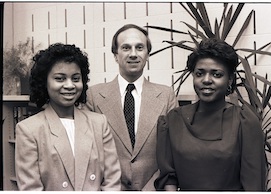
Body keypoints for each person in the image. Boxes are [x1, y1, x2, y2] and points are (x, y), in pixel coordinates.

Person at [154, 38, 266, 191]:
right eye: (200, 73)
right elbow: (169, 179)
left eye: (217, 74)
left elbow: (253, 185)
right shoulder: (174, 120)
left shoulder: (245, 122)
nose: (206, 80)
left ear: (229, 80)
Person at [15, 43, 121, 191]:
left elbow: (112, 181)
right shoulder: (28, 129)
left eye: (76, 78)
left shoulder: (99, 123)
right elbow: (31, 188)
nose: (70, 85)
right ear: (44, 82)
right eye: (60, 79)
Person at [84, 24, 178, 191]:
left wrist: (152, 188)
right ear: (115, 55)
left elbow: (172, 150)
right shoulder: (94, 95)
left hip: (154, 189)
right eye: (126, 48)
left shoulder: (166, 95)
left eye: (139, 48)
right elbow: (89, 152)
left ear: (147, 54)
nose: (133, 54)